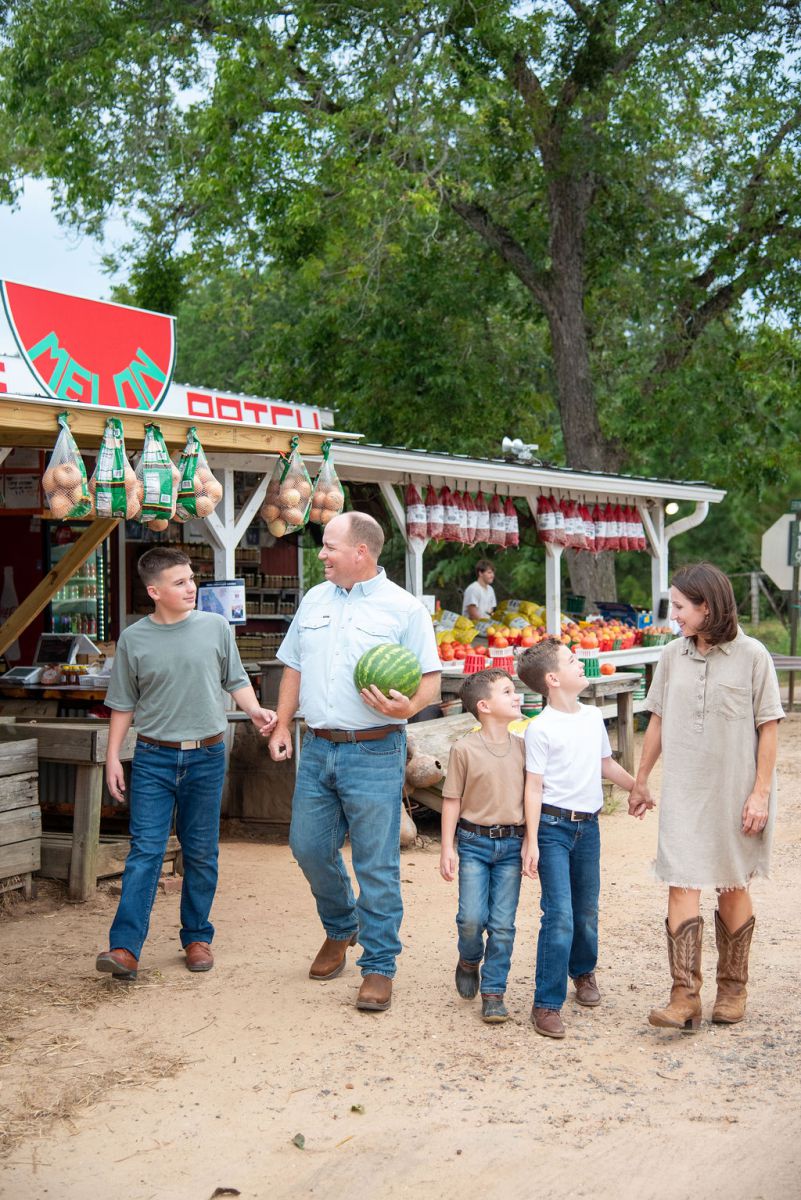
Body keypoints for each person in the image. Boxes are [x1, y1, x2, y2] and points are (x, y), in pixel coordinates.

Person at [267, 511, 441, 1012]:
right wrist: (282, 725)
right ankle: (342, 925)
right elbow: (294, 667)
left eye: (328, 546)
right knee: (306, 846)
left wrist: (408, 708)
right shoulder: (314, 600)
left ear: (360, 552)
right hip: (318, 745)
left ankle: (379, 965)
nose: (320, 554)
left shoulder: (403, 609)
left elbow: (429, 676)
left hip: (375, 747)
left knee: (377, 862)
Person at [96, 547, 277, 981]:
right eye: (180, 582)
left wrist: (255, 711)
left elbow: (235, 680)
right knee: (146, 852)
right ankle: (124, 948)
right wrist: (112, 759)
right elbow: (122, 704)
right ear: (154, 591)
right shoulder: (133, 639)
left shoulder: (216, 628)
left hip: (207, 756)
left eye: (192, 578)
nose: (191, 587)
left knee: (200, 852)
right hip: (154, 757)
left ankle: (197, 936)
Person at [628, 562, 783, 1031]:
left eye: (679, 606)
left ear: (706, 607)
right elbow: (655, 719)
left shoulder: (754, 654)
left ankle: (732, 989)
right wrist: (641, 779)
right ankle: (684, 995)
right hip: (684, 790)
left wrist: (760, 793)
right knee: (681, 880)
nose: (672, 614)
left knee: (734, 884)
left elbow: (769, 726)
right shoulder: (673, 655)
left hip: (737, 790)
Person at [517, 639, 637, 1039]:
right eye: (572, 660)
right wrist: (531, 841)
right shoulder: (540, 729)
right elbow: (533, 788)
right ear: (553, 679)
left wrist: (638, 787)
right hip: (551, 829)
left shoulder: (591, 716)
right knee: (559, 915)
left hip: (589, 828)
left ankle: (583, 972)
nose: (580, 663)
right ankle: (546, 1003)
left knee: (586, 908)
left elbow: (604, 763)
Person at [439, 668, 526, 1024]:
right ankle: (469, 959)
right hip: (474, 843)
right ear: (484, 705)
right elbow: (451, 800)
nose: (516, 696)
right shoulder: (464, 748)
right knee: (471, 919)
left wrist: (531, 841)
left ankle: (494, 992)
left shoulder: (524, 746)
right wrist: (448, 847)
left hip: (512, 845)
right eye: (507, 692)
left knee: (503, 925)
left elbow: (534, 797)